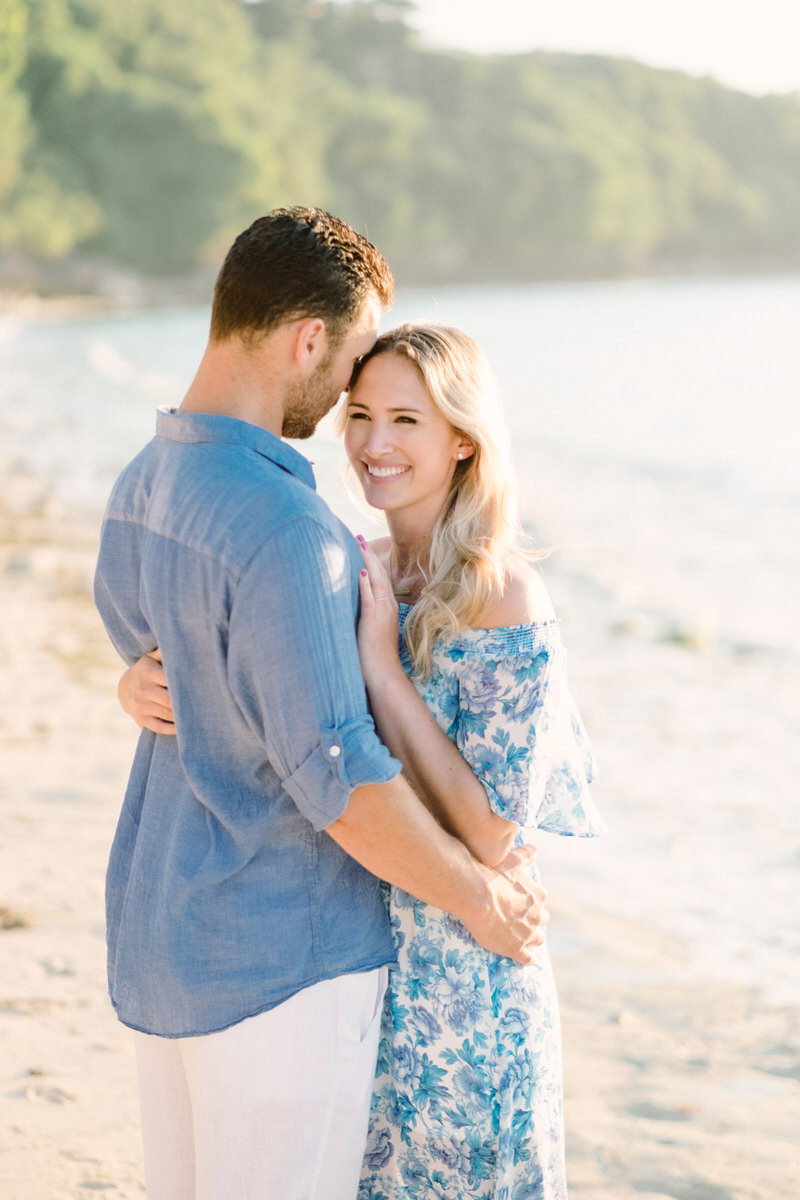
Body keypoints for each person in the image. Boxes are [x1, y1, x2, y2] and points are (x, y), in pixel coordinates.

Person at [94, 210, 548, 1200]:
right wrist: (482, 899)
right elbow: (335, 779)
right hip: (277, 959)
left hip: (165, 937)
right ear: (307, 339)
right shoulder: (291, 529)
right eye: (350, 367)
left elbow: (166, 666)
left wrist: (134, 681)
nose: (351, 394)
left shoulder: (141, 483)